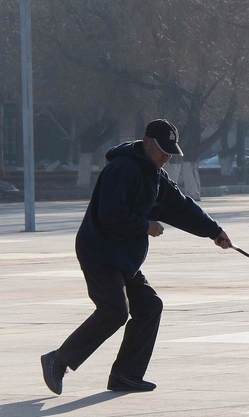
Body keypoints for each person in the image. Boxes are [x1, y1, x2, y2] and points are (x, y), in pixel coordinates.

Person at [40, 119, 232, 395]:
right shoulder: (122, 169)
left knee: (149, 306)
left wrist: (214, 231)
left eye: (170, 151)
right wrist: (146, 226)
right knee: (114, 311)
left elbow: (180, 207)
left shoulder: (155, 174)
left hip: (125, 257)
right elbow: (110, 213)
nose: (166, 157)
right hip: (100, 251)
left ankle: (126, 375)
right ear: (146, 142)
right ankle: (58, 360)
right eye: (162, 150)